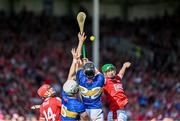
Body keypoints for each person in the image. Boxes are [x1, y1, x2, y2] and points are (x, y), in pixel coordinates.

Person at [76, 33, 105, 121]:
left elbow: (77, 59)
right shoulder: (100, 79)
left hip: (84, 110)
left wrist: (80, 41)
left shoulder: (80, 78)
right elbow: (96, 71)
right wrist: (89, 63)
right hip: (97, 111)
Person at [61, 48, 89, 121]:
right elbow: (85, 117)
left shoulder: (64, 94)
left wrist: (74, 60)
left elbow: (70, 75)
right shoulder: (77, 105)